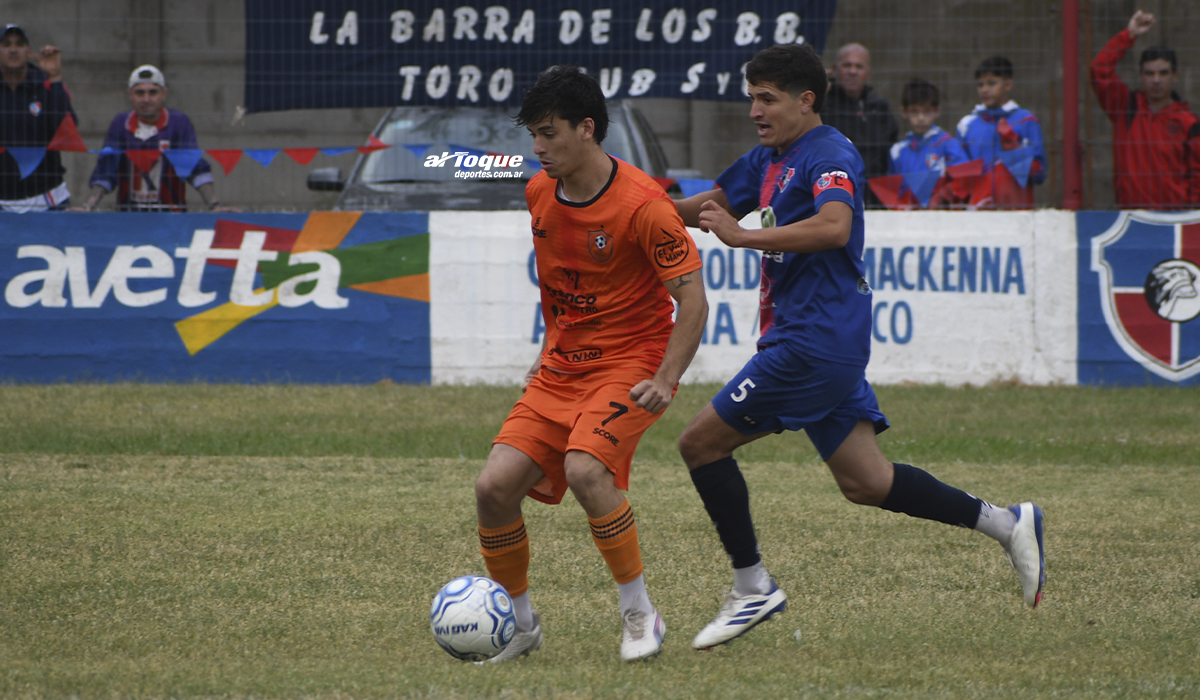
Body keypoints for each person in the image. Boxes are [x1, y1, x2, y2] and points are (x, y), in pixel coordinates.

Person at [671, 43, 1046, 650]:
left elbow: (834, 225)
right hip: (819, 342)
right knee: (867, 482)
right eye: (752, 99)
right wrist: (632, 208)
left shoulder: (829, 152)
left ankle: (752, 587)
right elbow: (702, 205)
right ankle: (1006, 524)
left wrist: (742, 236)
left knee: (700, 444)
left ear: (806, 100)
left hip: (812, 343)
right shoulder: (767, 158)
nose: (755, 111)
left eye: (767, 100)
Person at [473, 65, 707, 663]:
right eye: (533, 134)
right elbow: (562, 285)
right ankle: (520, 626)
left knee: (585, 470)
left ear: (586, 128)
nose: (537, 147)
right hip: (561, 369)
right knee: (493, 488)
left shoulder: (645, 206)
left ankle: (639, 614)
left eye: (548, 133)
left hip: (631, 362)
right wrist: (544, 352)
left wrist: (666, 379)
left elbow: (694, 302)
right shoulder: (538, 192)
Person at [75, 64, 233, 212]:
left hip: (171, 215)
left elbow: (194, 167)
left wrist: (215, 205)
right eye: (140, 93)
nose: (146, 99)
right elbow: (105, 170)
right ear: (130, 95)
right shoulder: (120, 124)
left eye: (153, 92)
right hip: (128, 215)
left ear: (164, 94)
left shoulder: (178, 123)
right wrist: (88, 206)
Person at [1090, 10, 1199, 209]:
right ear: (1141, 75)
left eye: (1163, 73)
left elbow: (1197, 176)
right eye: (1150, 73)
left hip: (1174, 219)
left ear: (1175, 76)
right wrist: (1128, 35)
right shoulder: (1126, 107)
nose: (1156, 80)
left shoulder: (1188, 122)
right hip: (1132, 216)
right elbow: (1099, 70)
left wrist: (1189, 216)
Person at [0, 24, 75, 211]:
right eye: (6, 44)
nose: (13, 50)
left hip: (47, 198)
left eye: (19, 44)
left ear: (29, 51)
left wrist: (55, 78)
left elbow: (66, 131)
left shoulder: (46, 85)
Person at [956, 56, 1047, 209]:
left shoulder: (1026, 121)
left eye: (991, 83)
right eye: (980, 84)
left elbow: (1040, 174)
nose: (984, 89)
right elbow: (961, 178)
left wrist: (1015, 151)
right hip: (978, 212)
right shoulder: (966, 125)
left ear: (1008, 85)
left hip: (1016, 211)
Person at [823, 43, 898, 208]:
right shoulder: (822, 106)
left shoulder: (880, 108)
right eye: (847, 65)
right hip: (835, 194)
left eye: (859, 66)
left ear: (868, 72)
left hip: (876, 197)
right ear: (835, 69)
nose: (853, 71)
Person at [888, 78, 970, 208]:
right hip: (908, 215)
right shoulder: (897, 151)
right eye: (914, 111)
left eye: (927, 111)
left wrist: (942, 196)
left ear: (937, 111)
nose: (921, 118)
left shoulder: (947, 144)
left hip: (943, 212)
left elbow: (964, 179)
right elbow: (893, 191)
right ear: (904, 112)